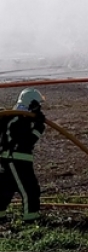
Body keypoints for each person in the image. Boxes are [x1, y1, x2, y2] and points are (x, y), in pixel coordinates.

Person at [0, 88, 46, 224]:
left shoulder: (17, 118)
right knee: (29, 189)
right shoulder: (17, 119)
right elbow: (26, 141)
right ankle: (31, 219)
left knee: (5, 189)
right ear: (32, 104)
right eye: (38, 104)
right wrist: (39, 126)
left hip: (11, 159)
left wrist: (36, 123)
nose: (40, 107)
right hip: (16, 160)